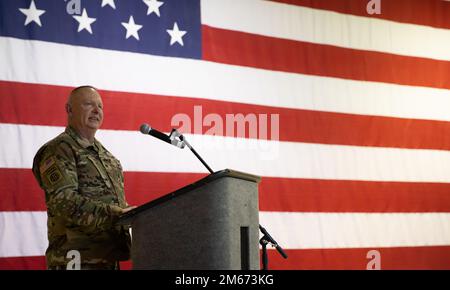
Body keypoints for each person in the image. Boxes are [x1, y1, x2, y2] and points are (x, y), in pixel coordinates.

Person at [32, 86, 136, 270]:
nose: (96, 111)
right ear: (69, 109)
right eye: (89, 104)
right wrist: (116, 215)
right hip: (76, 260)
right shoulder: (59, 150)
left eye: (100, 106)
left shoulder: (109, 158)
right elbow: (64, 201)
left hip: (108, 259)